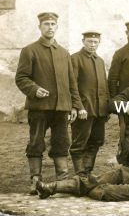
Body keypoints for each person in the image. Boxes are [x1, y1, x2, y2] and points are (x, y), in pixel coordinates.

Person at [15, 12, 84, 194]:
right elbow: (21, 78)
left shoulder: (64, 53)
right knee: (36, 142)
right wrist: (34, 89)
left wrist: (75, 105)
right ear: (40, 27)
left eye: (53, 24)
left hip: (61, 108)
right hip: (39, 108)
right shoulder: (29, 50)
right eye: (46, 24)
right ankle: (35, 180)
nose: (50, 27)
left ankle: (61, 181)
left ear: (57, 27)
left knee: (61, 143)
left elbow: (72, 83)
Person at [70, 31, 109, 176]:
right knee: (80, 142)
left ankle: (87, 172)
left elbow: (104, 85)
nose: (92, 45)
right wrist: (78, 107)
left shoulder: (99, 61)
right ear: (83, 41)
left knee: (97, 140)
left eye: (95, 42)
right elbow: (72, 85)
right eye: (89, 41)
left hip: (99, 110)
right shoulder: (75, 59)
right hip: (84, 109)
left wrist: (106, 108)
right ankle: (80, 173)